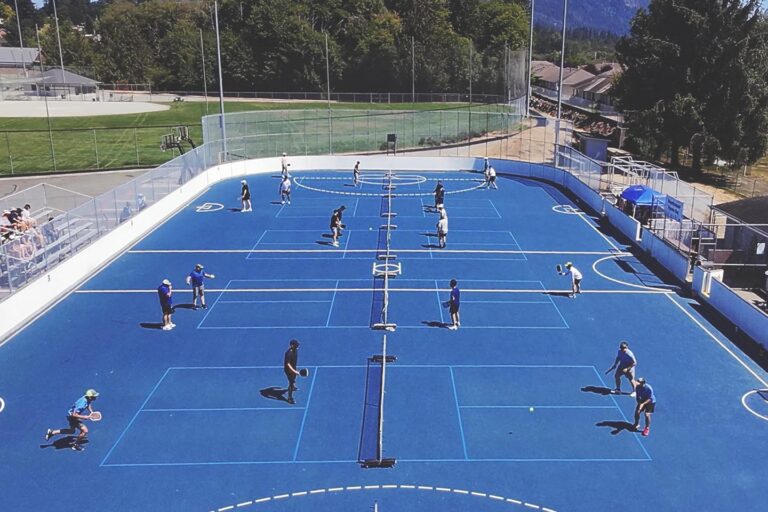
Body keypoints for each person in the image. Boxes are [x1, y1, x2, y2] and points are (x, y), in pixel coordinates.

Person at [284, 339, 301, 404]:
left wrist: (295, 370)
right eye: (296, 345)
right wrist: (294, 371)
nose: (298, 346)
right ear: (292, 345)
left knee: (294, 379)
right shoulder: (288, 353)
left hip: (293, 368)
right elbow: (288, 364)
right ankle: (289, 398)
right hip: (288, 370)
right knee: (291, 382)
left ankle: (293, 387)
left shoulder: (295, 350)